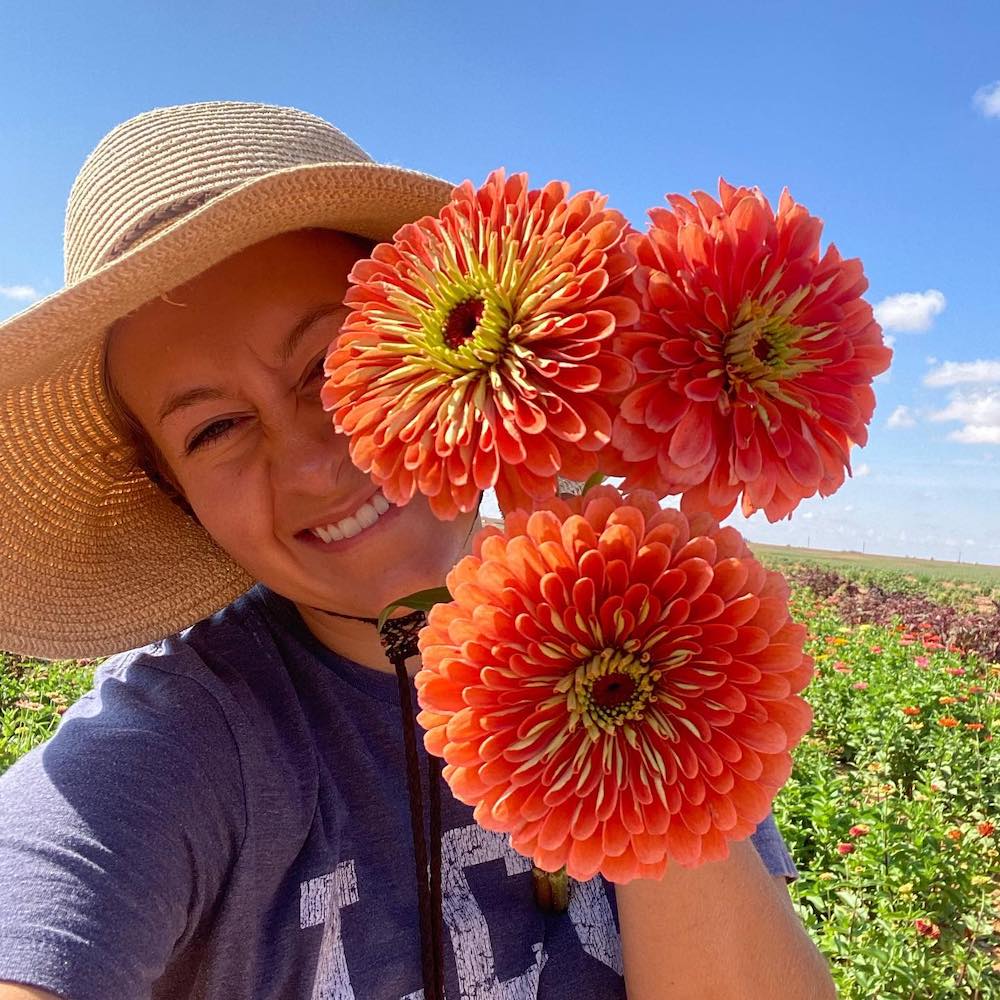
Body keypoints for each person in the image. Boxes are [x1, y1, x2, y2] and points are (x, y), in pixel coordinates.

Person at [0, 101, 836, 999]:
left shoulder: (665, 620)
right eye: (215, 430)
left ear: (451, 336)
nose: (318, 465)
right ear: (178, 498)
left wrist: (610, 617)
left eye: (328, 365)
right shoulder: (182, 747)